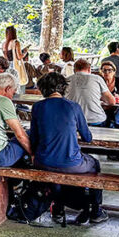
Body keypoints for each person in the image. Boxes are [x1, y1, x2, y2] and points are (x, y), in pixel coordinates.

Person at [29, 72, 107, 225]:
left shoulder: (37, 107)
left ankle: (58, 208)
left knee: (56, 168)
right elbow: (87, 137)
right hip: (71, 164)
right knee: (94, 164)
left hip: (43, 162)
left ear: (43, 89)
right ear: (63, 88)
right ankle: (96, 211)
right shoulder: (73, 107)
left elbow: (34, 139)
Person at [67, 58, 115, 125]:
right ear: (89, 69)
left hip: (73, 121)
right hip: (95, 120)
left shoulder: (67, 80)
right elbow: (112, 102)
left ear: (74, 70)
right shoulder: (97, 79)